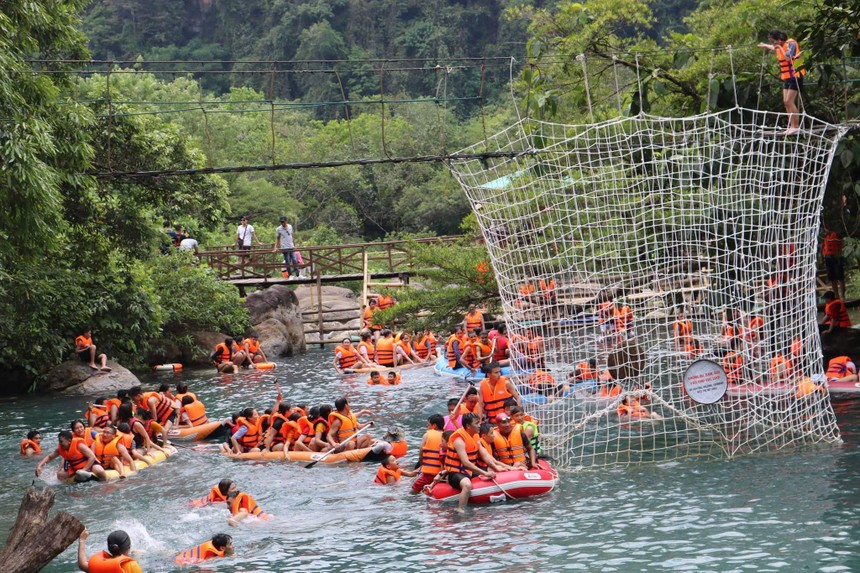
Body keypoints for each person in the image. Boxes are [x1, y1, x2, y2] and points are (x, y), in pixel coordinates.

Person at [442, 413, 498, 513]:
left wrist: (498, 467)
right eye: (476, 423)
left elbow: (486, 455)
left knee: (493, 472)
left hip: (469, 471)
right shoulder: (459, 440)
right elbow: (466, 463)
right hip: (456, 473)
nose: (479, 425)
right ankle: (460, 509)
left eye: (479, 422)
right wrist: (485, 473)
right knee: (467, 485)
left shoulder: (475, 436)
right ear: (468, 426)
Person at [758, 30, 805, 134]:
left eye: (773, 41)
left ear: (779, 40)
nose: (772, 44)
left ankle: (795, 126)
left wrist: (778, 47)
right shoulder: (780, 45)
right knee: (785, 102)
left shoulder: (791, 44)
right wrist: (765, 45)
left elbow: (788, 58)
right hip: (787, 77)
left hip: (795, 75)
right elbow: (774, 47)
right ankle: (791, 126)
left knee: (789, 101)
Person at [36, 429, 107, 482]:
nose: (60, 443)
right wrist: (39, 466)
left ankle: (104, 482)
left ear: (69, 441)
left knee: (100, 471)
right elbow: (50, 457)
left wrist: (84, 470)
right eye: (59, 441)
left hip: (90, 465)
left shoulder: (79, 445)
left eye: (61, 441)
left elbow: (92, 457)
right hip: (74, 468)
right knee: (60, 475)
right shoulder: (60, 448)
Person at [77, 529, 142, 573]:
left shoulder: (100, 566)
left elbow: (82, 565)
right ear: (127, 550)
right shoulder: (131, 566)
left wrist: (82, 540)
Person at [410, 414, 445, 494]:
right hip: (442, 474)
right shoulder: (446, 436)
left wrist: (422, 465)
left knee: (412, 492)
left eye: (428, 425)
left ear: (434, 426)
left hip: (428, 474)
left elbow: (421, 452)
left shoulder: (427, 435)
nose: (427, 427)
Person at [822, 228, 846, 301]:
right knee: (832, 278)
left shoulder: (837, 234)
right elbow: (823, 247)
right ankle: (837, 296)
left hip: (837, 257)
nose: (825, 231)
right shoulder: (825, 237)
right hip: (828, 258)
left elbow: (840, 238)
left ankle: (843, 296)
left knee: (840, 278)